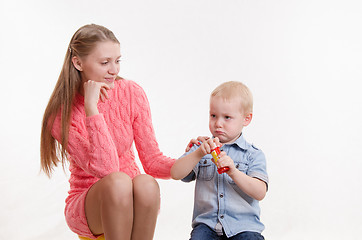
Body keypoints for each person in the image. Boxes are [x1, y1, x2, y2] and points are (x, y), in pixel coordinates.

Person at [40, 24, 194, 240]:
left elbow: (152, 160)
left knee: (146, 183)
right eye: (105, 63)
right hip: (90, 205)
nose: (114, 70)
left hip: (132, 199)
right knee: (119, 182)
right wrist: (91, 109)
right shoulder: (60, 115)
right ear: (78, 63)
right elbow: (107, 170)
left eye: (117, 60)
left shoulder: (131, 92)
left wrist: (193, 157)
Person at [171, 81, 269, 240]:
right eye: (213, 116)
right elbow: (175, 173)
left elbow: (259, 192)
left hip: (244, 227)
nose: (218, 123)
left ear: (246, 119)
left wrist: (234, 172)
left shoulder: (253, 154)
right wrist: (197, 153)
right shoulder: (201, 148)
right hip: (207, 226)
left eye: (227, 117)